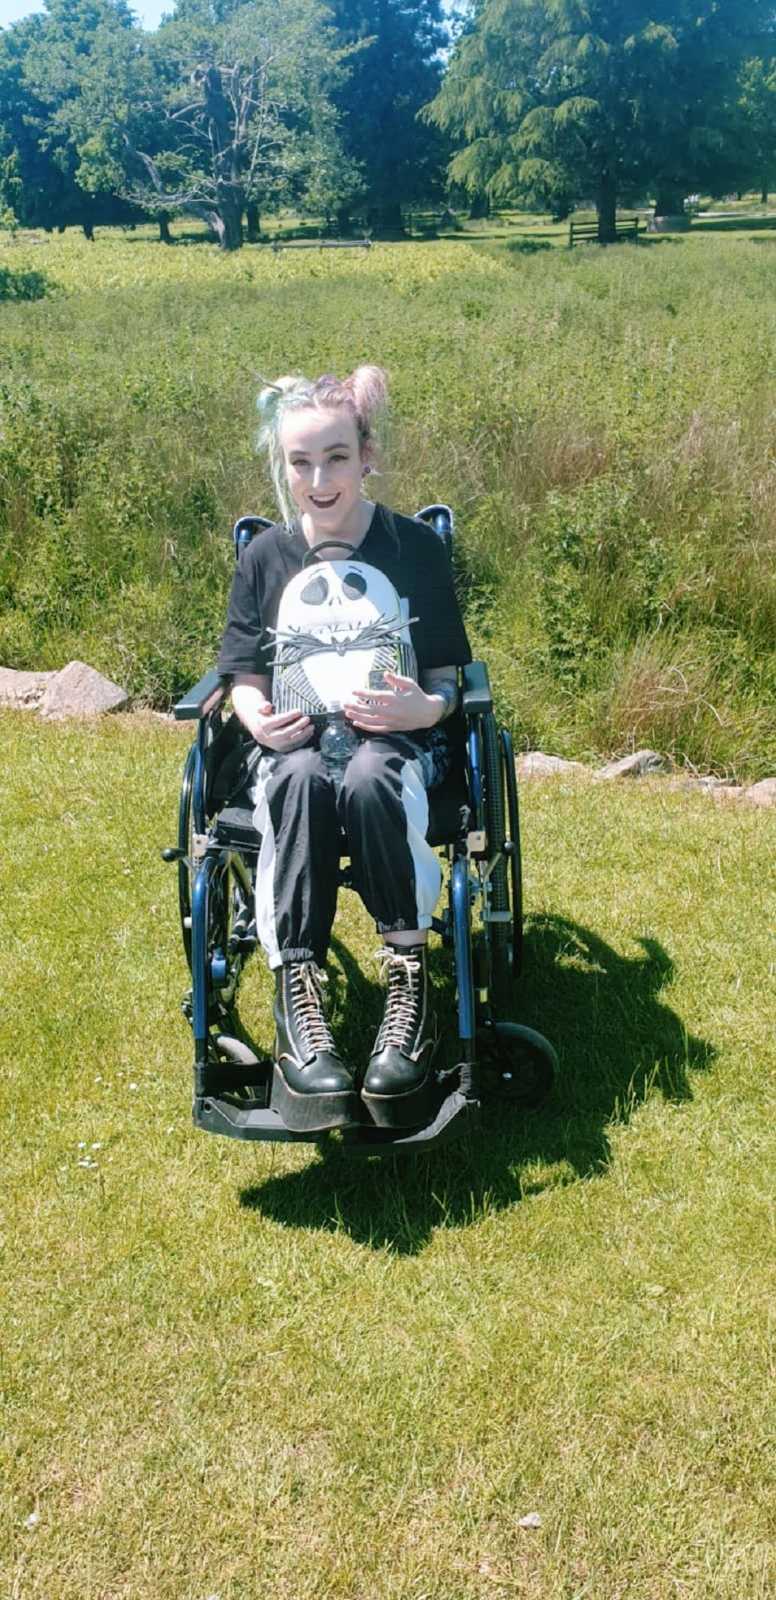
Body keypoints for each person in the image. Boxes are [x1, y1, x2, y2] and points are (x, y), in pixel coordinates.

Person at [217, 365, 471, 1133]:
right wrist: (254, 714)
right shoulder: (265, 557)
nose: (319, 479)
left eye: (335, 457)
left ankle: (407, 979)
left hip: (390, 744)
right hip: (292, 745)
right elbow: (241, 673)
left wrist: (421, 706)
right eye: (301, 462)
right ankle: (301, 999)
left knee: (368, 778)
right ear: (282, 466)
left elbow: (451, 680)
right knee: (294, 781)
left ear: (368, 455)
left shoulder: (414, 549)